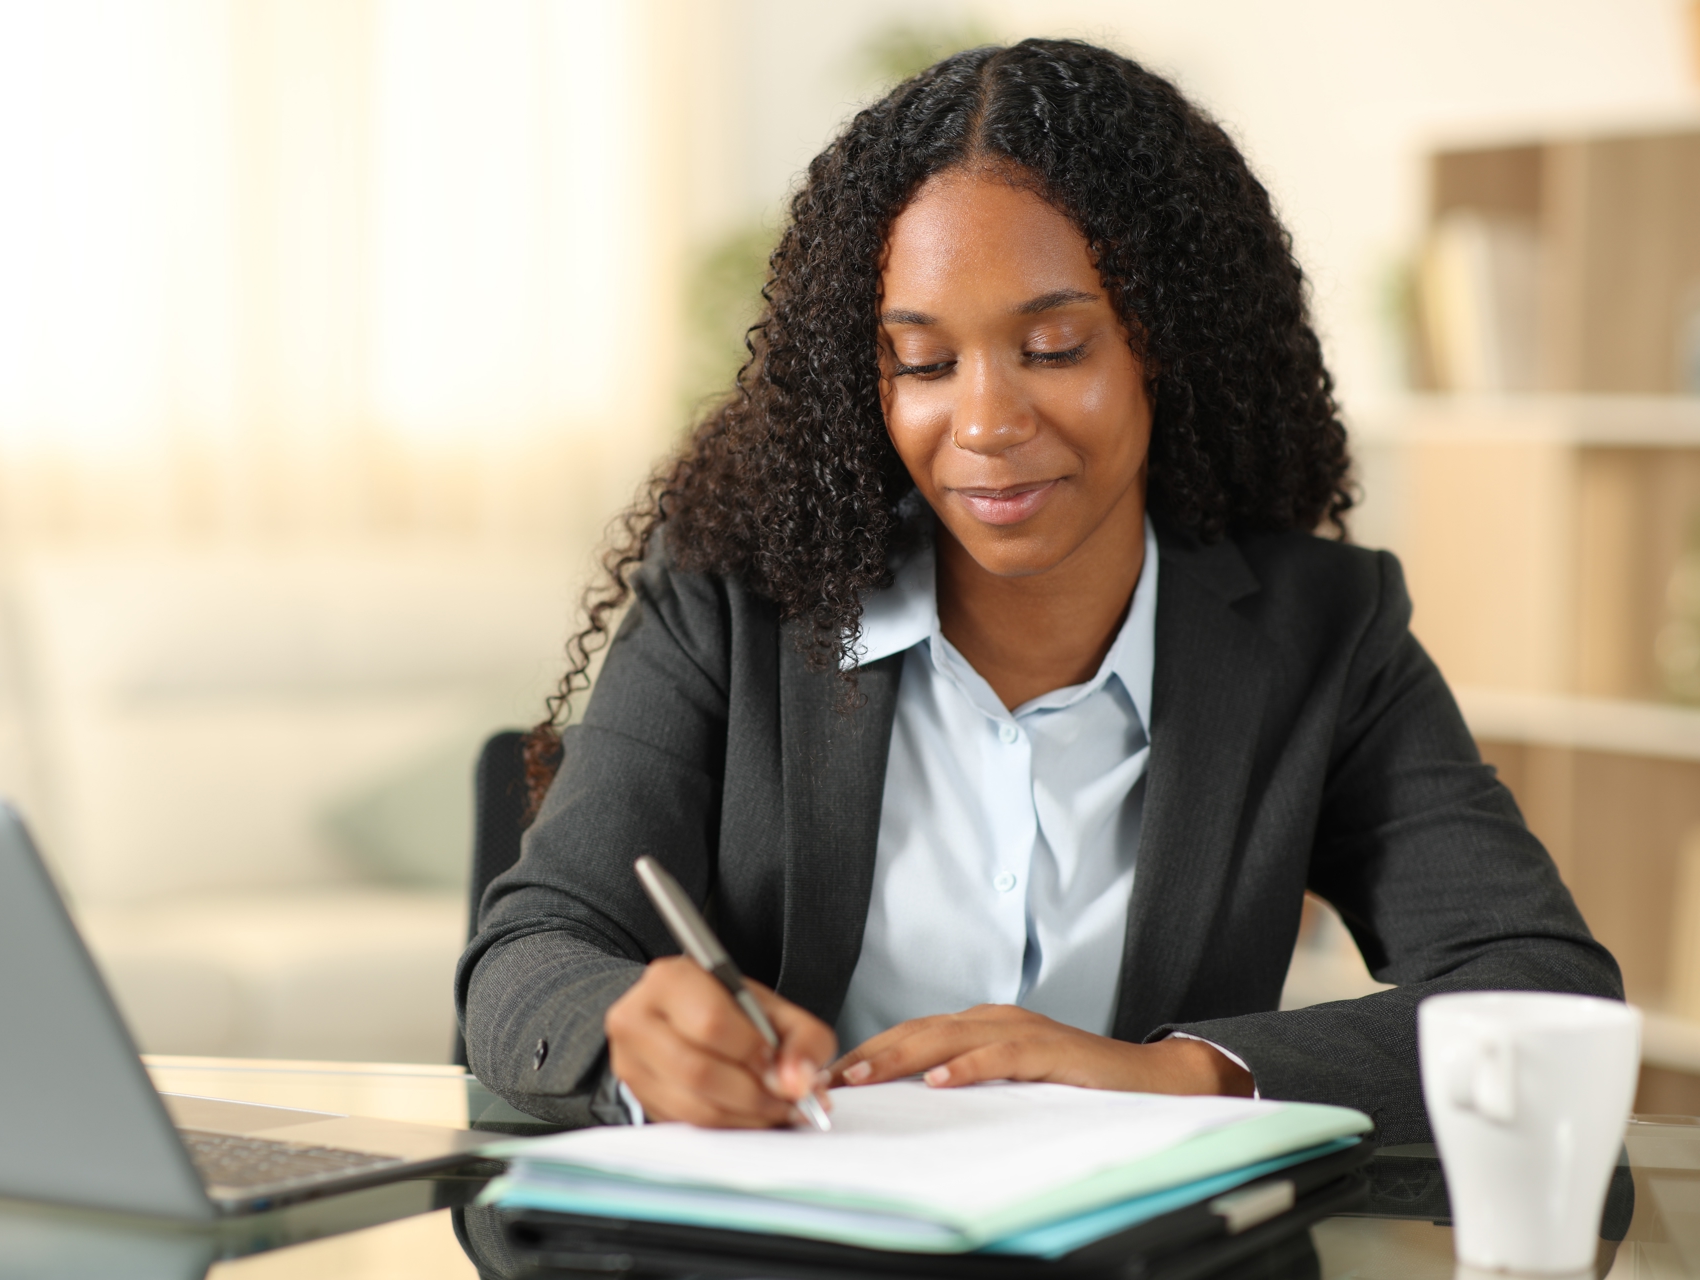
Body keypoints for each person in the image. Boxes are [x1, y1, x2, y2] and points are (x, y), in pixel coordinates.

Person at [454, 38, 1619, 1146]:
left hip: (1142, 1249)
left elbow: (1542, 989)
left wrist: (1179, 1071)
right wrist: (631, 1036)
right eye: (923, 361)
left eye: (1054, 348)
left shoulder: (1322, 632)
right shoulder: (733, 598)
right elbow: (530, 954)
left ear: (1165, 343)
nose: (984, 423)